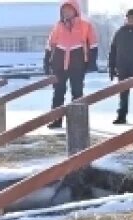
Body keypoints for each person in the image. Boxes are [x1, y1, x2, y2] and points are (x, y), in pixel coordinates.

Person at [44, 0, 99, 128]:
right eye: (64, 11)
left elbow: (93, 45)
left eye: (69, 10)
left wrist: (91, 63)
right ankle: (56, 120)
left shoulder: (85, 25)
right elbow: (50, 46)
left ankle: (77, 122)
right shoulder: (58, 26)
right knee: (58, 93)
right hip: (59, 64)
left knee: (77, 93)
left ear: (75, 11)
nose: (66, 13)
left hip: (77, 64)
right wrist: (47, 63)